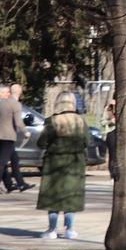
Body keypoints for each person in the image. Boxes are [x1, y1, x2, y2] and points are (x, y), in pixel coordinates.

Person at [35, 89, 89, 241]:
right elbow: (86, 141)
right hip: (75, 162)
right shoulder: (81, 121)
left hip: (54, 163)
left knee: (53, 197)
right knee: (71, 196)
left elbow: (42, 143)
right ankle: (69, 229)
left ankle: (52, 229)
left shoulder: (52, 121)